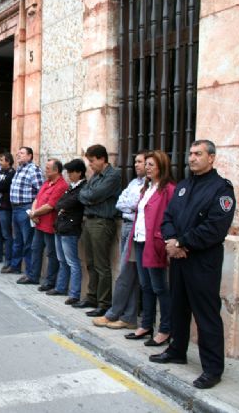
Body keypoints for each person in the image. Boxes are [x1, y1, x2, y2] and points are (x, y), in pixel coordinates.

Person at [150, 140, 235, 390]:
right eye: (190, 153)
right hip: (178, 259)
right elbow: (168, 217)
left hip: (202, 261)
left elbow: (215, 228)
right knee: (178, 307)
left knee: (206, 314)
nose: (192, 158)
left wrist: (182, 243)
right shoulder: (184, 186)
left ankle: (212, 368)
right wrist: (170, 240)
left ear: (212, 158)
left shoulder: (221, 189)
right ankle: (176, 350)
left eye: (198, 154)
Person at [125, 150, 175, 347]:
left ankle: (165, 329)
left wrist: (166, 241)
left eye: (151, 165)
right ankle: (146, 324)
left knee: (159, 287)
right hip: (139, 240)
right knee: (145, 286)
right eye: (146, 165)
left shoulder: (168, 189)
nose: (147, 168)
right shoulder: (147, 188)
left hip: (154, 243)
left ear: (161, 167)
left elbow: (172, 218)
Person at [93, 151, 146, 329]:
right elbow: (120, 203)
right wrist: (131, 205)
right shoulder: (133, 183)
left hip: (136, 228)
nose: (136, 165)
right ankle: (128, 317)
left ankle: (115, 313)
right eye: (135, 161)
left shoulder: (151, 186)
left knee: (126, 274)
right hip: (126, 226)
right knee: (128, 274)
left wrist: (131, 205)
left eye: (140, 161)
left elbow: (137, 205)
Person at [76, 144, 122, 317]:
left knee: (102, 265)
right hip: (90, 221)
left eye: (92, 161)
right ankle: (92, 296)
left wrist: (89, 197)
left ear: (102, 159)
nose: (90, 165)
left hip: (102, 222)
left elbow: (94, 195)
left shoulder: (114, 175)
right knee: (90, 262)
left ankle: (104, 303)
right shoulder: (95, 175)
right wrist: (89, 197)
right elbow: (83, 194)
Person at [21, 159, 67, 287]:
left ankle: (50, 281)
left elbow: (50, 206)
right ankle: (33, 276)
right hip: (39, 222)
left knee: (51, 254)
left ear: (56, 170)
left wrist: (34, 214)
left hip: (50, 225)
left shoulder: (61, 185)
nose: (45, 170)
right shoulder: (47, 182)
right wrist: (33, 213)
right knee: (35, 249)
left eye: (47, 168)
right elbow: (37, 198)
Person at [51, 159, 87, 305]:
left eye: (71, 172)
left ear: (79, 172)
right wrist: (62, 206)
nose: (68, 175)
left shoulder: (82, 188)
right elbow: (58, 204)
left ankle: (74, 294)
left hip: (70, 228)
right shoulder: (72, 187)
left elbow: (66, 203)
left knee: (72, 262)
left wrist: (62, 206)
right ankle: (61, 287)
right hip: (61, 226)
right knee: (62, 260)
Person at [7, 147, 44, 275]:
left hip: (26, 208)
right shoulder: (20, 169)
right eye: (18, 153)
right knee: (17, 240)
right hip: (15, 208)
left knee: (28, 242)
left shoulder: (33, 170)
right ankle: (15, 266)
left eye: (22, 153)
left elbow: (40, 192)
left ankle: (29, 272)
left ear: (30, 156)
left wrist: (35, 211)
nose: (18, 155)